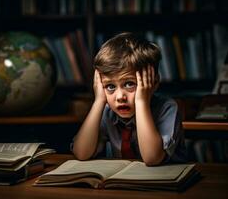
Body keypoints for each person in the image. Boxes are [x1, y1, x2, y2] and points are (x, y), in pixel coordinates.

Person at [72, 32, 187, 166]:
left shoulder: (167, 108)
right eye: (110, 86)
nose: (120, 97)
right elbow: (81, 153)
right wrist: (99, 101)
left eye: (129, 84)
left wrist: (141, 102)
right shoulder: (108, 112)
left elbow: (152, 158)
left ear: (154, 82)